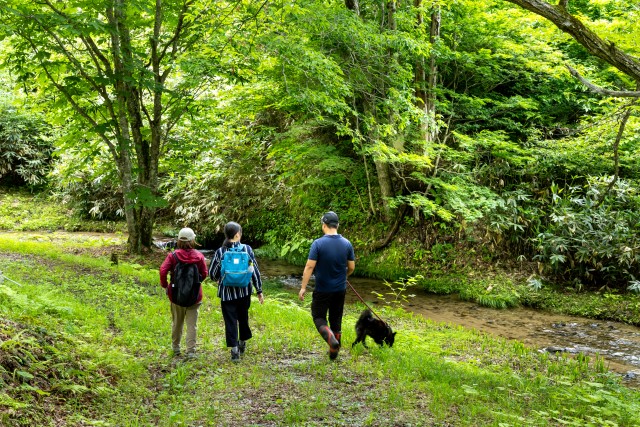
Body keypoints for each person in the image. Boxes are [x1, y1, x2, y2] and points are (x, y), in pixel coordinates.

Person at [299, 211, 355, 360]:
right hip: (340, 290)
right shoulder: (347, 243)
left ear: (324, 225)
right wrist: (344, 276)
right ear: (337, 225)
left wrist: (303, 287)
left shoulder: (318, 243)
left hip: (323, 290)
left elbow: (309, 267)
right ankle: (334, 352)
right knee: (336, 319)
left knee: (318, 317)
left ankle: (331, 340)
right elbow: (351, 267)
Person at [209, 221, 264, 362]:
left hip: (227, 294)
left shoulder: (221, 251)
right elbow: (254, 271)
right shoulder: (247, 249)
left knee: (230, 321)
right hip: (244, 292)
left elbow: (212, 274)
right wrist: (259, 290)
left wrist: (218, 278)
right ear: (238, 234)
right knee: (243, 318)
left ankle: (234, 351)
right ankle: (242, 342)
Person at [159, 227, 208, 358]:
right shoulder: (199, 256)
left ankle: (176, 348)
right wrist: (195, 283)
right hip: (195, 296)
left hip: (176, 295)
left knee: (177, 323)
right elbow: (204, 274)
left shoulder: (173, 256)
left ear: (179, 240)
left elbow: (163, 270)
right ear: (193, 240)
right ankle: (191, 351)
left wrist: (166, 286)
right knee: (192, 325)